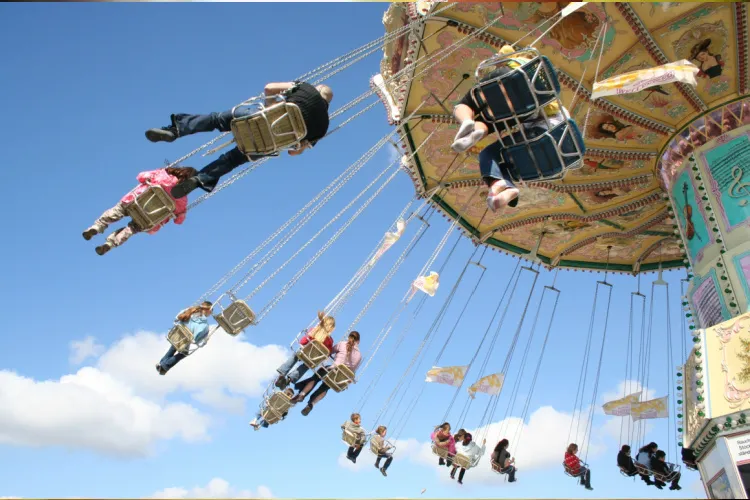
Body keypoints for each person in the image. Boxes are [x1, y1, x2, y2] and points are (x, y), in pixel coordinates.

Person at [145, 82, 333, 199]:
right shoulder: (323, 127)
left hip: (257, 117)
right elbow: (295, 151)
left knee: (216, 120)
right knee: (232, 159)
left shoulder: (306, 88)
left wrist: (271, 108)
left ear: (317, 90)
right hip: (267, 143)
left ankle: (177, 129)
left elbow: (269, 88)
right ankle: (199, 179)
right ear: (328, 103)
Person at [451, 44, 569, 212]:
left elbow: (504, 54)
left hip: (535, 121)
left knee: (474, 109)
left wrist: (499, 60)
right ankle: (502, 185)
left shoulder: (514, 65)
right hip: (556, 131)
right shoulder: (538, 80)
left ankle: (468, 123)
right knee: (494, 152)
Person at [83, 167, 196, 255]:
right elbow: (179, 221)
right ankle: (110, 244)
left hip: (134, 202)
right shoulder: (183, 200)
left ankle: (97, 227)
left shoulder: (162, 175)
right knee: (132, 229)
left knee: (119, 210)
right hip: (148, 219)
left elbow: (141, 176)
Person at [291, 331, 362, 415]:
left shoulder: (342, 344)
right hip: (339, 377)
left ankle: (302, 394)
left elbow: (329, 352)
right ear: (358, 341)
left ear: (349, 337)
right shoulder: (359, 356)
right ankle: (311, 404)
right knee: (326, 387)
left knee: (316, 378)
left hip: (332, 369)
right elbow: (352, 371)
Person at [275, 312, 335, 390]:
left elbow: (303, 342)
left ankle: (282, 374)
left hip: (304, 351)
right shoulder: (330, 341)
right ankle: (289, 379)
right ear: (332, 328)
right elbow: (327, 354)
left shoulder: (314, 330)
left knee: (295, 356)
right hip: (313, 359)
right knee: (306, 366)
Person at [156, 302, 213, 375]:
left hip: (176, 335)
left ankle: (161, 364)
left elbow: (177, 317)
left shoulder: (190, 310)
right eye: (212, 310)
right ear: (209, 310)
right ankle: (164, 366)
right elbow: (196, 339)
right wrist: (205, 340)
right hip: (185, 341)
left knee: (175, 346)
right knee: (184, 353)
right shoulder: (204, 325)